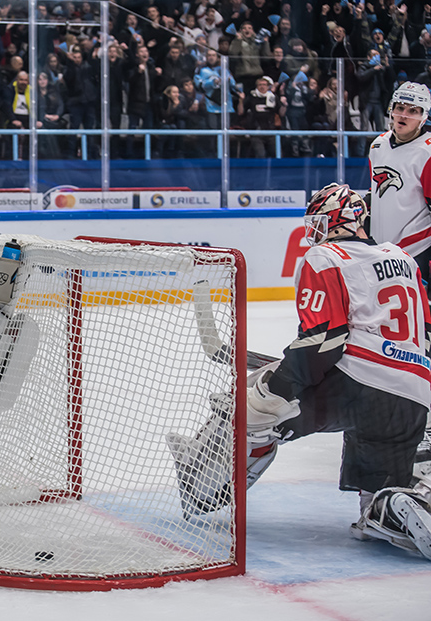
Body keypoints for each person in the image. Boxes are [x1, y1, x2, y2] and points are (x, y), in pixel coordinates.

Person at [172, 184, 431, 561]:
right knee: (372, 507)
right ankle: (396, 506)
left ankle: (206, 490)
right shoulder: (402, 257)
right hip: (413, 391)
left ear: (344, 219)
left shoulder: (325, 256)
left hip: (354, 384)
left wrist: (280, 385)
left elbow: (324, 340)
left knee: (252, 405)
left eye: (322, 220)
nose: (316, 229)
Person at [367, 81, 431, 480]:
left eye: (414, 111)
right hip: (383, 254)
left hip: (420, 253)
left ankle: (424, 420)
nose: (404, 116)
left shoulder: (427, 153)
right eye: (400, 108)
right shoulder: (376, 146)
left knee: (422, 335)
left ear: (425, 117)